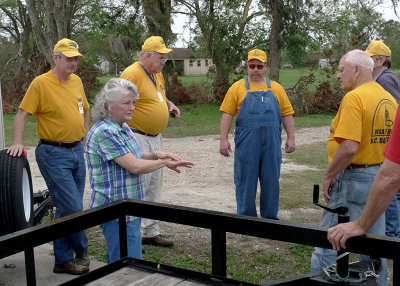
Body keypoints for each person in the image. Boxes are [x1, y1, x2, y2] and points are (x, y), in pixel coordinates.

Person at [309, 49, 398, 286]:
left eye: (341, 70)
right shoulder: (387, 98)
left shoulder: (354, 98)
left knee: (330, 242)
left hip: (352, 179)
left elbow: (349, 147)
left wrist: (330, 173)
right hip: (378, 177)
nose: (338, 76)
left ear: (356, 70)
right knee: (373, 243)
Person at [85, 78, 194, 263]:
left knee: (127, 261)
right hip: (114, 208)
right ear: (108, 106)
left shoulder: (122, 127)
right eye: (126, 103)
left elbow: (135, 155)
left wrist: (156, 154)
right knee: (125, 262)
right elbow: (134, 166)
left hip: (129, 206)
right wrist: (164, 162)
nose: (132, 107)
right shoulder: (105, 132)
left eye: (133, 102)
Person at [7, 38, 90, 275]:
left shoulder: (77, 81)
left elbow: (85, 109)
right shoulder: (40, 83)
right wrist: (18, 142)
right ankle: (82, 251)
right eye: (69, 58)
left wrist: (84, 137)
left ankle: (63, 260)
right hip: (53, 153)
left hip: (76, 151)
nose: (73, 62)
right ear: (56, 58)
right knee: (73, 207)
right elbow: (22, 115)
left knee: (65, 208)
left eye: (76, 58)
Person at [219, 49, 295, 220]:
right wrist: (223, 140)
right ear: (247, 66)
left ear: (265, 67)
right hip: (247, 143)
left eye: (259, 66)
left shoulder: (276, 88)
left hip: (272, 143)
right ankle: (246, 219)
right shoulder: (237, 88)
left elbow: (287, 114)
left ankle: (270, 219)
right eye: (252, 65)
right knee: (246, 180)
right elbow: (227, 114)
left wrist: (291, 137)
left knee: (271, 181)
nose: (255, 69)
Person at [120, 36, 180, 247]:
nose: (164, 62)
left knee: (155, 186)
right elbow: (120, 102)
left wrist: (170, 106)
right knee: (138, 187)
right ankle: (131, 237)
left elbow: (159, 98)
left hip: (156, 139)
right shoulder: (132, 74)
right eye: (161, 57)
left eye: (165, 58)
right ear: (148, 56)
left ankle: (151, 232)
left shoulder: (157, 74)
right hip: (137, 136)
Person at [365, 40, 400, 238]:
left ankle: (392, 232)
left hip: (391, 140)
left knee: (390, 186)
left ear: (379, 61)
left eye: (369, 57)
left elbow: (396, 107)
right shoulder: (381, 77)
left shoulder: (384, 80)